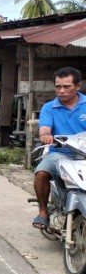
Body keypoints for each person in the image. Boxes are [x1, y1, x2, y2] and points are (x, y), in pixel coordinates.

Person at [33, 67, 86, 229]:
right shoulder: (49, 107)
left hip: (83, 155)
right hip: (60, 154)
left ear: (78, 86)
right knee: (41, 173)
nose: (61, 91)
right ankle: (43, 211)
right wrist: (45, 135)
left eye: (66, 86)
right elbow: (45, 128)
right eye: (58, 87)